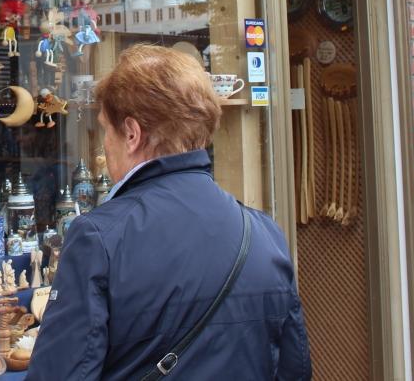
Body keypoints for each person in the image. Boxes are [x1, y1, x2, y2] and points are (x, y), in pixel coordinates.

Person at [25, 45, 311, 380]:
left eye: (105, 129)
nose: (104, 143)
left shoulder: (98, 238)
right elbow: (294, 370)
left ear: (132, 134)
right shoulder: (264, 232)